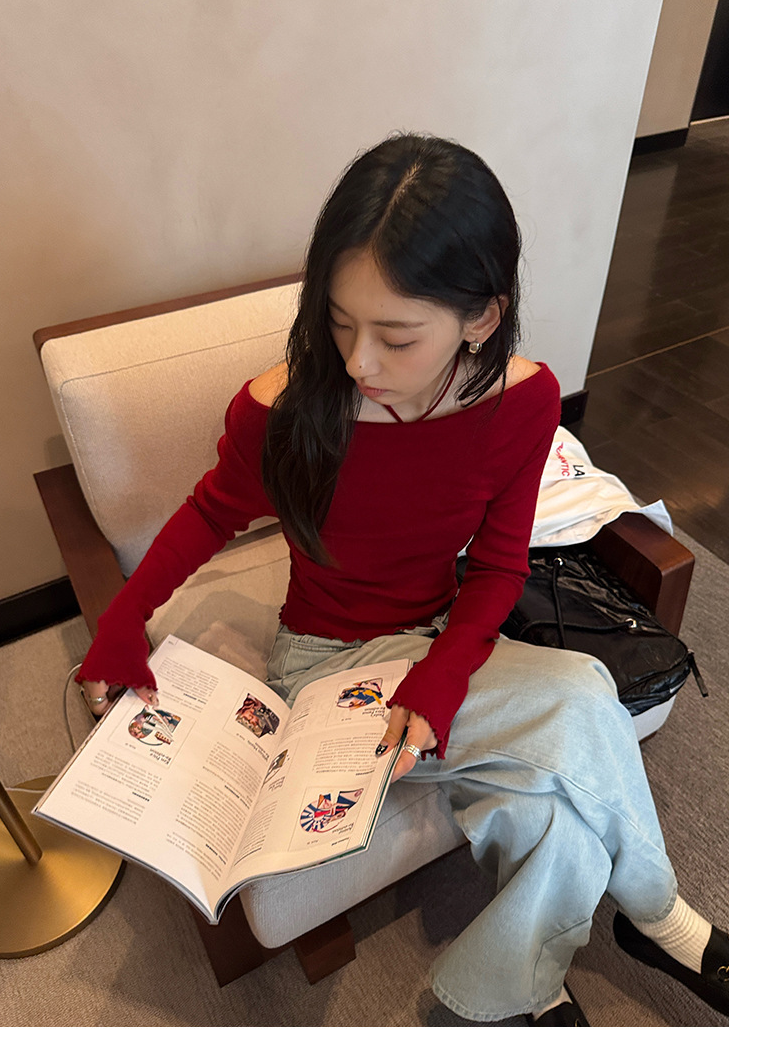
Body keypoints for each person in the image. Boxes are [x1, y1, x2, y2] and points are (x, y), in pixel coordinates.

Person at [76, 133, 728, 1026]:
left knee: (550, 807)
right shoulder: (283, 410)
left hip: (440, 642)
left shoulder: (523, 404)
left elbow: (497, 565)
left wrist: (444, 673)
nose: (358, 361)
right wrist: (123, 620)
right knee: (582, 694)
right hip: (323, 667)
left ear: (482, 318)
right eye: (339, 322)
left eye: (395, 335)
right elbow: (207, 514)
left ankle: (517, 990)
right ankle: (661, 919)